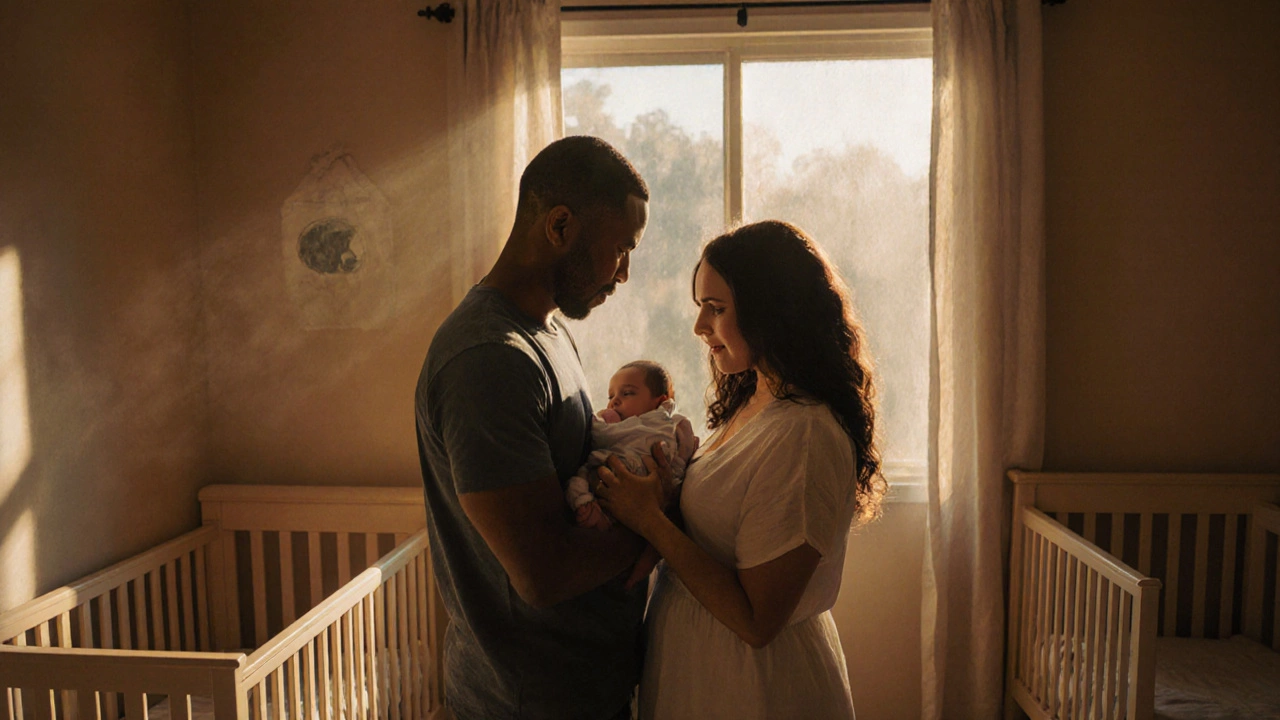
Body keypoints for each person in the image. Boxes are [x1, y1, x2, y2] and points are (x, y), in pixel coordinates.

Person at [415, 135, 667, 720]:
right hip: (528, 701)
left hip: (580, 689)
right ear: (559, 226)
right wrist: (654, 526)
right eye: (621, 249)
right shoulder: (488, 359)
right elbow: (542, 572)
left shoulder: (547, 332)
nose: (624, 274)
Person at [596, 220, 887, 720]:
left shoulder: (806, 433)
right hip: (699, 664)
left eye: (717, 308)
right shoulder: (754, 399)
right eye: (699, 308)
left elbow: (757, 620)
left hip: (753, 685)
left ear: (771, 310)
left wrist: (651, 521)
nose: (699, 327)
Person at [567, 360, 698, 531]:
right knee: (576, 483)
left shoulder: (664, 422)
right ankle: (589, 507)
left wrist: (683, 454)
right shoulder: (613, 427)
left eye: (627, 393)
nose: (614, 401)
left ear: (659, 402)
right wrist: (602, 421)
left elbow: (681, 454)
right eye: (610, 396)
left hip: (654, 482)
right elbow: (598, 437)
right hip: (611, 469)